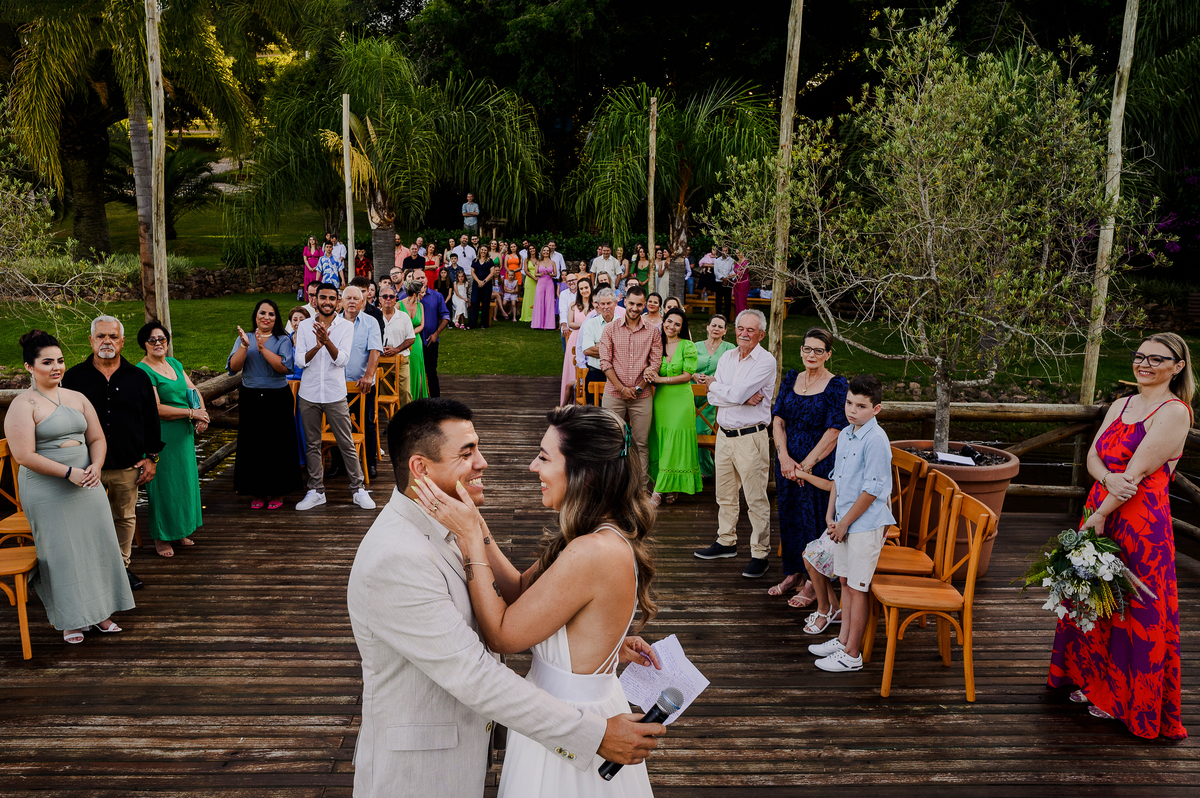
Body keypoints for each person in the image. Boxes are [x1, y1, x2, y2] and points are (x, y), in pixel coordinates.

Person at [346, 399, 663, 798]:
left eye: (543, 457)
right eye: (467, 453)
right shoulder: (397, 558)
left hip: (522, 740)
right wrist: (591, 733)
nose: (484, 462)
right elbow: (477, 668)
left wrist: (600, 644)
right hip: (419, 775)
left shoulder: (590, 545)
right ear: (420, 469)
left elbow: (514, 602)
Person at [1049, 333, 1193, 739]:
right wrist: (1104, 481)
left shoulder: (1174, 412)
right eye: (1139, 355)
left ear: (1177, 367)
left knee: (1131, 606)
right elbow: (1096, 454)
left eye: (1156, 359)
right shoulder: (1121, 404)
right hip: (1100, 508)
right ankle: (1091, 681)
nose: (1144, 364)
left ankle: (1121, 697)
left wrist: (1100, 514)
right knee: (1091, 596)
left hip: (1139, 524)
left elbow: (1137, 475)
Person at [5, 330, 134, 643]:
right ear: (29, 367)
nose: (56, 367)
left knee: (97, 545)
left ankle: (102, 612)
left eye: (60, 361)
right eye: (47, 362)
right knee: (62, 552)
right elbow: (23, 455)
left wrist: (96, 466)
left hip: (86, 482)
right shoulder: (23, 404)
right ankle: (71, 620)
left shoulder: (77, 397)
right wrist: (68, 473)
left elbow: (97, 438)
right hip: (48, 489)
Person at [62, 316, 164, 592]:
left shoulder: (138, 377)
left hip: (126, 463)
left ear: (122, 341)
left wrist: (152, 457)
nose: (107, 341)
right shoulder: (72, 377)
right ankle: (90, 570)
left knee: (124, 516)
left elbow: (151, 419)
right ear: (91, 340)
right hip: (84, 466)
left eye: (113, 337)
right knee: (84, 520)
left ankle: (121, 568)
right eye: (101, 336)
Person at [807, 374, 894, 673]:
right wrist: (831, 517)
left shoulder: (876, 441)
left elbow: (872, 490)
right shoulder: (846, 433)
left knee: (857, 587)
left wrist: (844, 523)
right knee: (843, 580)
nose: (852, 410)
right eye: (848, 403)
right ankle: (842, 640)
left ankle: (853, 653)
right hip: (843, 519)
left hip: (865, 524)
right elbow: (837, 480)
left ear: (876, 409)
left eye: (861, 406)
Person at [692, 310, 776, 579]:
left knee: (755, 498)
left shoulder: (766, 361)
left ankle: (760, 553)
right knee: (724, 494)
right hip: (725, 435)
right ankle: (726, 541)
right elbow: (714, 396)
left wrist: (721, 387)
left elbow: (733, 392)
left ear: (761, 334)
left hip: (751, 437)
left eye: (750, 330)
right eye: (740, 328)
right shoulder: (727, 356)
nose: (744, 333)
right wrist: (724, 389)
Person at [768, 329, 849, 610]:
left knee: (814, 520)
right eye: (807, 349)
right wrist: (784, 457)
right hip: (787, 462)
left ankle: (815, 583)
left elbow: (836, 430)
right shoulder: (792, 378)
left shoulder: (837, 385)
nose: (811, 355)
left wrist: (806, 466)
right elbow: (778, 419)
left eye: (818, 350)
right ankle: (793, 572)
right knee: (789, 516)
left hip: (818, 465)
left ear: (828, 354)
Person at [294, 283, 376, 512]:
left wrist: (326, 342)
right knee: (312, 444)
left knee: (346, 442)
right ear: (316, 300)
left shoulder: (346, 327)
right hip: (309, 393)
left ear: (337, 301)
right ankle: (316, 491)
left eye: (332, 298)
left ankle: (358, 490)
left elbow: (341, 361)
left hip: (334, 393)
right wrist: (317, 345)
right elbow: (300, 361)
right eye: (323, 298)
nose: (327, 302)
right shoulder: (304, 327)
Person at [135, 321, 206, 556]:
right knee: (164, 486)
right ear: (144, 344)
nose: (158, 343)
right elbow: (154, 407)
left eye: (162, 339)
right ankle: (161, 537)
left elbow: (192, 390)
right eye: (152, 340)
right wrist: (190, 413)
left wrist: (201, 414)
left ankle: (179, 531)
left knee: (183, 483)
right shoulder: (143, 371)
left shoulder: (174, 363)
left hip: (183, 435)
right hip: (162, 434)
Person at [227, 299, 300, 510]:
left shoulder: (282, 339)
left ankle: (278, 491)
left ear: (276, 318)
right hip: (251, 397)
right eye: (262, 313)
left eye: (271, 314)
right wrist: (244, 346)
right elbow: (233, 367)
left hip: (277, 397)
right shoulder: (245, 338)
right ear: (256, 315)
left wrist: (262, 348)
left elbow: (284, 368)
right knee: (253, 445)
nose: (266, 317)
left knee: (277, 445)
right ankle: (256, 491)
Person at [599, 286, 662, 471]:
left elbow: (655, 364)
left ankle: (640, 489)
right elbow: (605, 362)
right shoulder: (610, 329)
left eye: (639, 304)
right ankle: (611, 486)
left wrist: (638, 388)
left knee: (641, 444)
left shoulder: (652, 331)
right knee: (610, 442)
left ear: (645, 306)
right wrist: (621, 389)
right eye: (631, 303)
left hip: (641, 397)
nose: (635, 308)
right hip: (613, 394)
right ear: (624, 301)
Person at [646, 308, 702, 504]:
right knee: (662, 441)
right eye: (669, 322)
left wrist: (662, 380)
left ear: (681, 327)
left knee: (674, 443)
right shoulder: (656, 344)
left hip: (680, 401)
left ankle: (659, 490)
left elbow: (688, 375)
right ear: (663, 322)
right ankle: (670, 486)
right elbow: (650, 369)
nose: (671, 326)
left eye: (677, 324)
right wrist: (651, 376)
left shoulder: (687, 346)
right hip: (661, 401)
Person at [341, 286, 384, 479]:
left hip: (363, 385)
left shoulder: (370, 322)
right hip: (338, 385)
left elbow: (375, 350)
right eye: (347, 298)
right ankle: (339, 464)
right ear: (341, 302)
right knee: (338, 425)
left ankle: (369, 462)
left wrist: (368, 376)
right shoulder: (334, 323)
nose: (351, 302)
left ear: (362, 302)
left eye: (355, 299)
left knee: (367, 423)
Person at [692, 314, 734, 479]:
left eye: (720, 327)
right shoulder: (694, 346)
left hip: (714, 397)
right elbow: (686, 367)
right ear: (707, 327)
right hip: (692, 395)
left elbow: (733, 371)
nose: (716, 329)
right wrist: (694, 375)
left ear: (725, 331)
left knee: (703, 430)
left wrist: (715, 379)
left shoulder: (730, 348)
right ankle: (690, 469)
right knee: (689, 431)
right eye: (714, 325)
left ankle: (705, 471)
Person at [578, 288, 622, 404]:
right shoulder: (590, 324)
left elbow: (628, 351)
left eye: (609, 303)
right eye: (602, 304)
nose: (606, 307)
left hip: (619, 375)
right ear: (598, 305)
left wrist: (598, 345)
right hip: (595, 373)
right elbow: (587, 350)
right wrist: (614, 350)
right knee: (592, 414)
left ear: (615, 303)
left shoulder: (623, 323)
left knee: (615, 414)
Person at [413, 270, 451, 397]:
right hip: (413, 342)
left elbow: (446, 317)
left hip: (431, 340)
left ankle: (436, 402)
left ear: (427, 279)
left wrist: (436, 334)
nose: (421, 279)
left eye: (423, 277)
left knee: (431, 372)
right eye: (417, 277)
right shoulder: (406, 298)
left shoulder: (437, 296)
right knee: (413, 372)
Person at [379, 284, 417, 406]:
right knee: (385, 393)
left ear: (396, 299)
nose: (388, 299)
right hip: (382, 360)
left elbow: (411, 338)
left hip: (401, 359)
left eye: (391, 296)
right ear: (380, 299)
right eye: (385, 296)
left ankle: (408, 419)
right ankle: (389, 419)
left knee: (405, 391)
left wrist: (397, 349)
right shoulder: (375, 317)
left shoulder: (403, 316)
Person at [559, 276, 593, 405]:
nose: (584, 290)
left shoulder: (595, 305)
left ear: (590, 288)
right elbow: (570, 323)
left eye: (586, 288)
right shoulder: (573, 304)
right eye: (581, 288)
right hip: (575, 337)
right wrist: (585, 325)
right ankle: (569, 401)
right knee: (572, 369)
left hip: (589, 338)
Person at [400, 279, 430, 400]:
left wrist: (410, 334)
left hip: (416, 341)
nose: (424, 294)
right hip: (402, 341)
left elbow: (421, 325)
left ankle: (416, 399)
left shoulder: (420, 305)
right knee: (405, 370)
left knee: (416, 369)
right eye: (422, 292)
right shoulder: (398, 305)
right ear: (414, 294)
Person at [469, 249, 500, 329]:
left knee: (485, 303)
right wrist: (479, 281)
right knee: (474, 302)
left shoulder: (490, 261)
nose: (483, 251)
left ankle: (484, 324)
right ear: (479, 251)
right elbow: (472, 272)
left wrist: (484, 281)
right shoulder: (475, 261)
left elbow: (492, 272)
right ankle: (472, 323)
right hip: (477, 283)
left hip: (487, 284)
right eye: (482, 249)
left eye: (485, 250)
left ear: (487, 252)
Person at [532, 246, 558, 330]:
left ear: (549, 252)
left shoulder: (553, 262)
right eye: (544, 250)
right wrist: (540, 274)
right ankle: (537, 324)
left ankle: (549, 325)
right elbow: (535, 273)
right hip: (541, 282)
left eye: (547, 250)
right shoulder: (538, 262)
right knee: (539, 301)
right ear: (542, 251)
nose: (546, 252)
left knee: (549, 301)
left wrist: (550, 275)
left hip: (549, 282)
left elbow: (555, 274)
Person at [558, 272, 580, 347]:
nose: (571, 283)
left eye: (573, 280)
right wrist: (564, 326)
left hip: (580, 326)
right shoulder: (563, 294)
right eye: (568, 281)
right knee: (567, 351)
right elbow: (563, 310)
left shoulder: (582, 292)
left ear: (577, 280)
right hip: (568, 326)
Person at [713, 246, 735, 319]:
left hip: (728, 281)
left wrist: (727, 278)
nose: (724, 252)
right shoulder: (717, 260)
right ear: (721, 251)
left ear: (728, 251)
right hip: (719, 282)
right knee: (718, 300)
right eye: (723, 251)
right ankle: (718, 316)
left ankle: (727, 317)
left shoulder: (731, 261)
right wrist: (723, 278)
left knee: (727, 300)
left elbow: (733, 271)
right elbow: (716, 271)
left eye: (726, 250)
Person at [520, 242, 538, 323]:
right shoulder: (527, 260)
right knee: (528, 298)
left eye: (533, 248)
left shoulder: (539, 259)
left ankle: (536, 315)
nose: (532, 250)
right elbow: (526, 271)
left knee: (536, 297)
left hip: (538, 280)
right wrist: (534, 278)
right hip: (530, 280)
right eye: (530, 249)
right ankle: (527, 316)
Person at [732, 250, 751, 316]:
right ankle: (738, 318)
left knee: (742, 301)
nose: (738, 254)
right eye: (736, 253)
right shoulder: (737, 262)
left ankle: (742, 318)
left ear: (742, 252)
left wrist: (731, 275)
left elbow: (741, 273)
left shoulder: (746, 262)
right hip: (736, 283)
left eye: (739, 253)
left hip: (743, 283)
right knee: (737, 301)